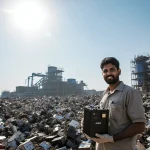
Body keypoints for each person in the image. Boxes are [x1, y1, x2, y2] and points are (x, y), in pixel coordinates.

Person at [85, 57, 146, 150]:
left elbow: (140, 126)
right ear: (102, 74)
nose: (108, 73)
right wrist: (88, 125)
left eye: (112, 69)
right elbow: (104, 120)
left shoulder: (130, 93)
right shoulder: (105, 95)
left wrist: (112, 138)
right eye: (105, 71)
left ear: (119, 71)